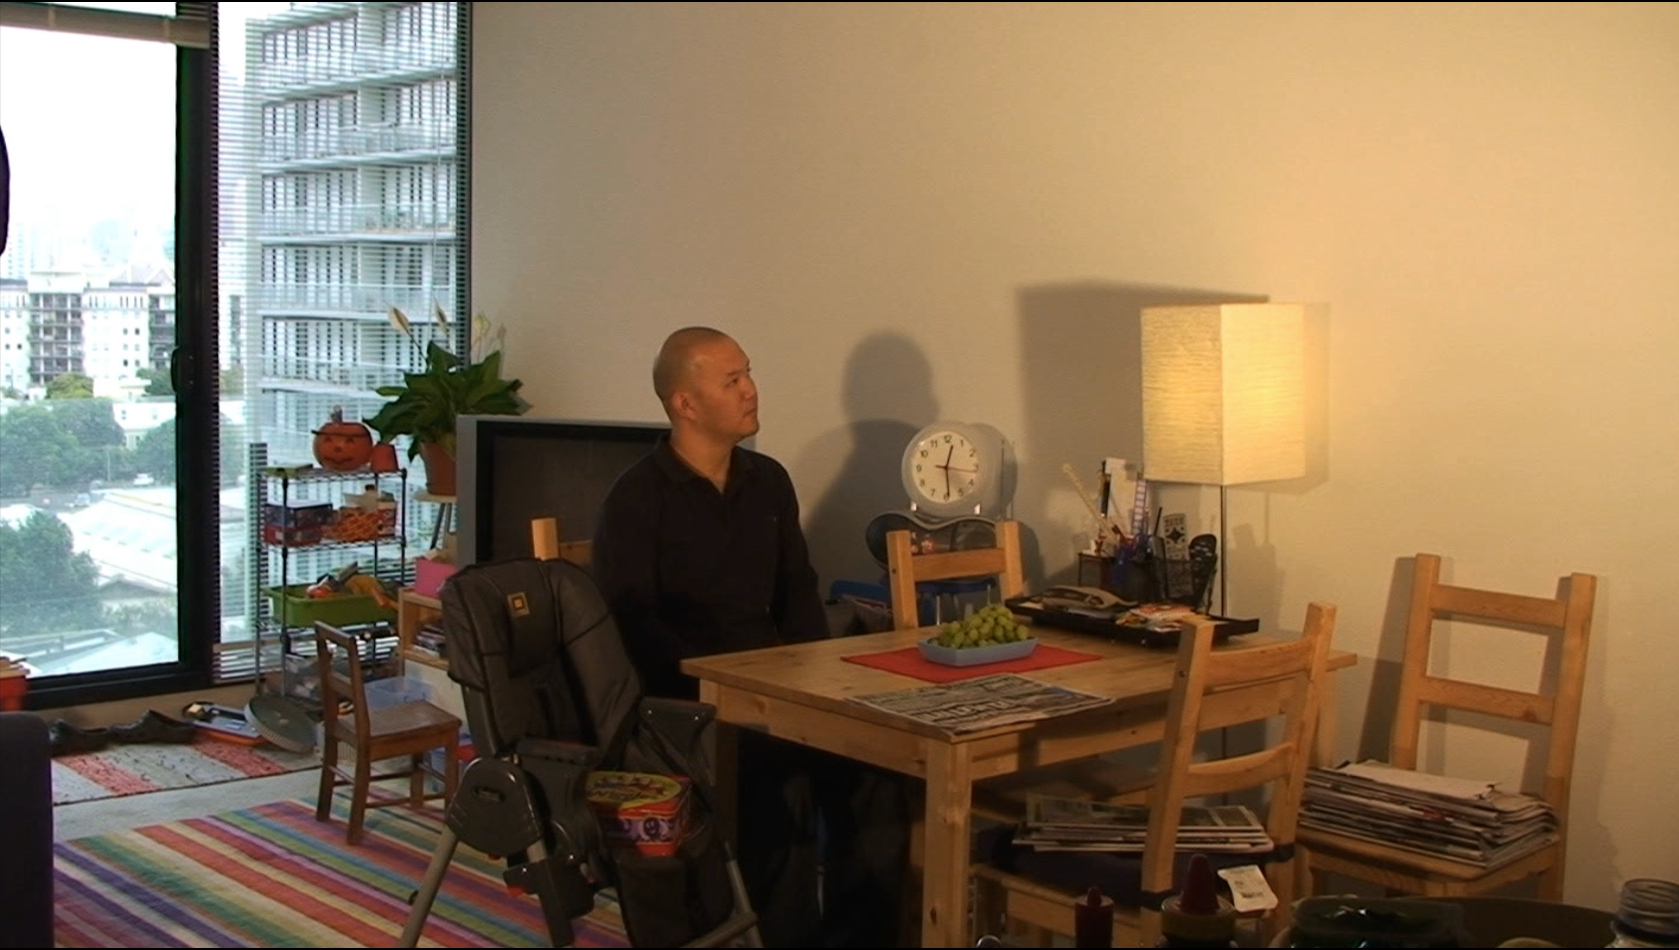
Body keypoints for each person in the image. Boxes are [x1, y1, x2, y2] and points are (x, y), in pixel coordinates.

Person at [592, 327, 909, 947]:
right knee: (773, 785)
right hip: (691, 703)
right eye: (731, 380)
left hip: (779, 685)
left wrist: (824, 687)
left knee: (879, 765)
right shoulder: (636, 498)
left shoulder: (768, 482)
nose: (750, 390)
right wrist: (716, 689)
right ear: (685, 403)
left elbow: (798, 593)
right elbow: (630, 625)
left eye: (748, 374)